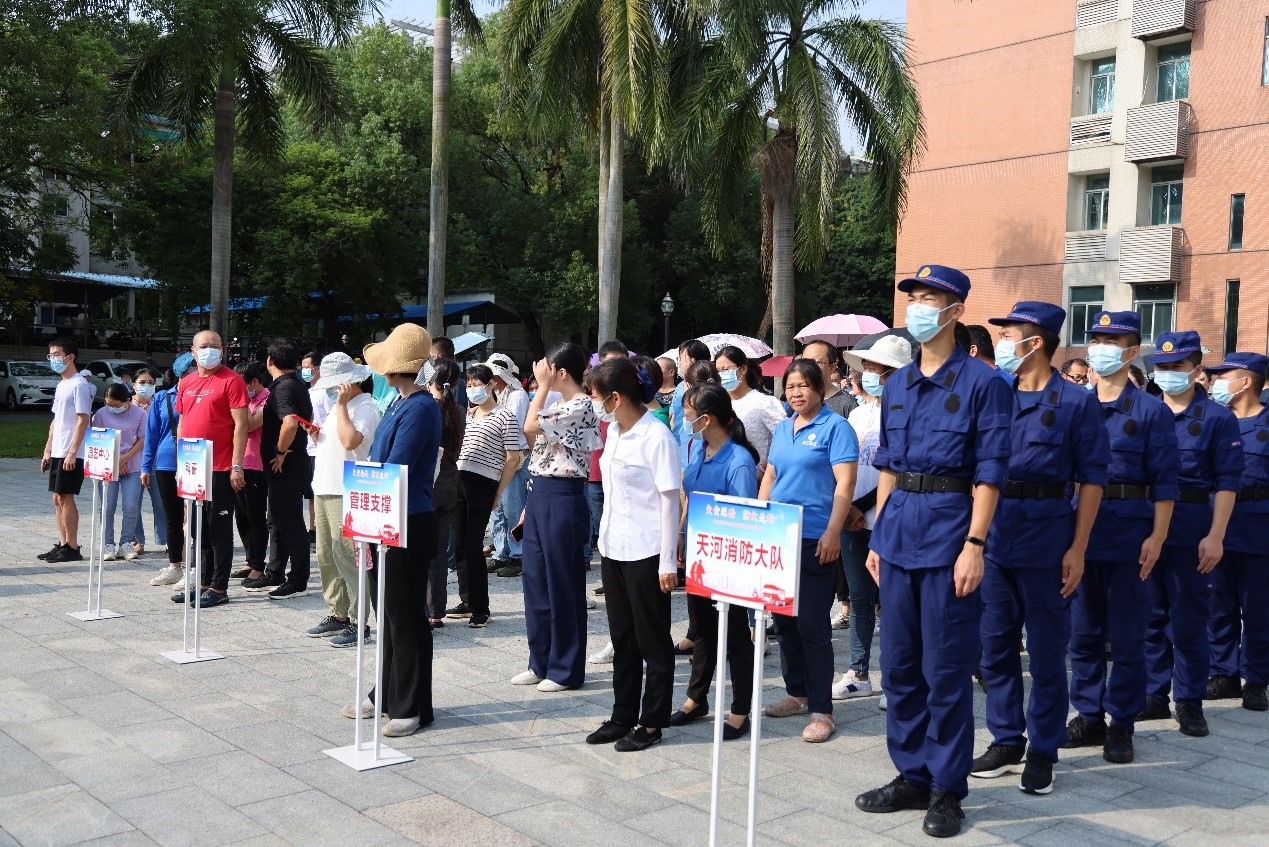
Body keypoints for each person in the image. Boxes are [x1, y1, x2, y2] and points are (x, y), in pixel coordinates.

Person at [855, 265, 1011, 839]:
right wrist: (878, 536)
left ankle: (947, 787)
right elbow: (888, 466)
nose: (917, 307)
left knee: (944, 670)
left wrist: (975, 545)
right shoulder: (896, 384)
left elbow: (990, 473)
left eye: (929, 298)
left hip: (950, 538)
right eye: (913, 297)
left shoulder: (983, 383)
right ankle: (912, 775)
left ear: (955, 310)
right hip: (897, 536)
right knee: (898, 667)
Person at [968, 302, 1110, 796]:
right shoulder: (994, 393)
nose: (1002, 343)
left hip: (1048, 537)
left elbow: (1092, 480)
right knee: (995, 647)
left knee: (1047, 651)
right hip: (995, 536)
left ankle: (1044, 749)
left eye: (1009, 335)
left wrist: (1079, 547)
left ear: (1035, 343)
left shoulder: (1076, 402)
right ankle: (1007, 740)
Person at [1065, 311, 1178, 765]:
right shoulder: (1075, 405)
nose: (1100, 348)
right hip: (1081, 535)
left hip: (1131, 534)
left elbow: (1166, 482)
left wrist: (1158, 536)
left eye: (1111, 341)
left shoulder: (1151, 410)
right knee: (1083, 634)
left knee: (1128, 637)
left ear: (1131, 352)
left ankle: (1122, 724)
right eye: (1096, 339)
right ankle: (1089, 715)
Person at [1138, 331, 1242, 738]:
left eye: (1176, 366)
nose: (1167, 373)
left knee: (1188, 620)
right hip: (1145, 525)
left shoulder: (1217, 418)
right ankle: (1153, 695)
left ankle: (1189, 701)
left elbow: (1228, 482)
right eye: (1161, 366)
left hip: (1191, 526)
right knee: (1149, 617)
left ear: (1197, 369)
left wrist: (1216, 535)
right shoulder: (1143, 410)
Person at [344, 323, 441, 738]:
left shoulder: (420, 407)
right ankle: (384, 692)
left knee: (404, 614)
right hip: (383, 513)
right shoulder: (401, 402)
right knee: (387, 612)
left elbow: (395, 465)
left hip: (406, 518)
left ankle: (410, 704)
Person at [760, 359, 858, 744]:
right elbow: (771, 475)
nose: (796, 393)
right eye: (790, 386)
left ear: (819, 387)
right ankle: (797, 693)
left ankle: (822, 709)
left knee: (811, 624)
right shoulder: (783, 428)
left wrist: (833, 531)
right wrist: (760, 519)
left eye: (803, 385)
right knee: (784, 622)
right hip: (778, 536)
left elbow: (844, 484)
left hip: (816, 536)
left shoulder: (836, 427)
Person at [585, 357, 680, 751]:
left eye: (596, 397)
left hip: (647, 550)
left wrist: (667, 560)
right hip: (614, 547)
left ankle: (652, 721)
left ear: (616, 397)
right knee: (622, 637)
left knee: (652, 640)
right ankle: (622, 714)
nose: (594, 404)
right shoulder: (615, 431)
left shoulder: (656, 436)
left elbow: (670, 500)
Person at [670, 383, 758, 740]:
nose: (683, 419)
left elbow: (744, 516)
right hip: (698, 554)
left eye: (688, 413)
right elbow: (690, 497)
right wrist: (681, 533)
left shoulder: (739, 460)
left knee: (735, 635)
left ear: (706, 419)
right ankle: (696, 698)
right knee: (703, 630)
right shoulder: (698, 448)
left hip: (728, 558)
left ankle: (740, 709)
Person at [514, 343, 604, 690]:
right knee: (536, 581)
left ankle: (565, 668)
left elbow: (529, 425)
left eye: (547, 369)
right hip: (540, 492)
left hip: (563, 494)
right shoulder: (559, 404)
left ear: (561, 372)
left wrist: (542, 387)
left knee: (563, 584)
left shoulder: (581, 405)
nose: (540, 373)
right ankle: (540, 661)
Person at [834, 334, 913, 699]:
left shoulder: (907, 414)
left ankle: (897, 678)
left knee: (894, 601)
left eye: (874, 368)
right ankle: (858, 672)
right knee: (860, 597)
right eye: (865, 367)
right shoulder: (857, 413)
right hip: (853, 520)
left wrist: (861, 505)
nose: (866, 374)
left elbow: (896, 471)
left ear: (894, 374)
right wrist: (847, 507)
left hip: (889, 518)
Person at [1203, 353, 1269, 712]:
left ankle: (1256, 679)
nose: (1216, 383)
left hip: (1259, 528)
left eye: (1223, 376)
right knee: (1218, 603)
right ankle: (1223, 673)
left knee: (1258, 608)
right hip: (1215, 525)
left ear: (1245, 382)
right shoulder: (1214, 421)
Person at [172, 331, 249, 607]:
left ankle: (219, 587)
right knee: (198, 530)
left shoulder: (232, 380)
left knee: (218, 529)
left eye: (214, 346)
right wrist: (181, 462)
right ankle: (204, 583)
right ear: (193, 352)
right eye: (203, 346)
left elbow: (241, 424)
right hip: (193, 466)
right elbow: (182, 424)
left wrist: (236, 465)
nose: (209, 350)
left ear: (223, 350)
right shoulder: (187, 382)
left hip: (220, 466)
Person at [308, 353, 379, 645]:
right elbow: (336, 443)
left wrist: (339, 405)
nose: (331, 389)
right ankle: (338, 613)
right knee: (327, 555)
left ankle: (359, 620)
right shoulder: (343, 407)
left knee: (347, 556)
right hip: (325, 485)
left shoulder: (365, 407)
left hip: (347, 489)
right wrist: (316, 434)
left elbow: (351, 441)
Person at [450, 363, 522, 627]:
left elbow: (513, 458)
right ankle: (467, 599)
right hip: (459, 479)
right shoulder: (468, 415)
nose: (472, 389)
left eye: (477, 384)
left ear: (491, 384)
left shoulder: (505, 416)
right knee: (459, 544)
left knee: (473, 545)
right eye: (468, 385)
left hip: (484, 483)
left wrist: (498, 491)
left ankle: (481, 606)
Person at [250, 342, 314, 600]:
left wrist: (280, 451)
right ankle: (275, 571)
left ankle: (297, 579)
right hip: (290, 462)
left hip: (287, 463)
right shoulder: (295, 384)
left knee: (290, 522)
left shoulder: (284, 388)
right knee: (276, 519)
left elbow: (290, 423)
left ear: (269, 361)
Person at [38, 337, 94, 564]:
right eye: (50, 355)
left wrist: (72, 452)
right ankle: (62, 543)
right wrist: (47, 450)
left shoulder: (79, 385)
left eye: (57, 355)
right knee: (57, 498)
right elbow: (55, 421)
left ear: (70, 357)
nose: (53, 359)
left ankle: (72, 546)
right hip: (58, 450)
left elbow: (83, 420)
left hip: (72, 451)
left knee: (65, 496)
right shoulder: (62, 384)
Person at [142, 353, 194, 586]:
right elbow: (151, 434)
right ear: (181, 372)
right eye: (192, 368)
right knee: (172, 517)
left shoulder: (201, 396)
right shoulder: (162, 397)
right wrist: (146, 466)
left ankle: (198, 567)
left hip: (195, 460)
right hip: (166, 463)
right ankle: (175, 566)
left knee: (197, 517)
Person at [420, 359, 464, 628]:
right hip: (448, 485)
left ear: (429, 381)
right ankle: (436, 612)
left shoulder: (424, 409)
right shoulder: (459, 411)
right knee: (438, 553)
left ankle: (421, 609)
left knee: (419, 552)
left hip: (425, 487)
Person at [485, 353, 530, 578]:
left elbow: (511, 427)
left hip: (515, 457)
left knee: (513, 507)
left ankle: (518, 555)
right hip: (499, 456)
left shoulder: (518, 396)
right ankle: (501, 553)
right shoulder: (498, 394)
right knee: (498, 509)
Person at [92, 384, 147, 562]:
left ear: (127, 401)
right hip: (107, 464)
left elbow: (141, 440)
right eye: (108, 404)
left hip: (133, 465)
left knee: (131, 506)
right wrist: (116, 461)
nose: (112, 408)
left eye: (116, 405)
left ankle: (126, 542)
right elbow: (98, 439)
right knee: (107, 506)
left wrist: (124, 459)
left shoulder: (140, 414)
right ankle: (108, 543)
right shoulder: (100, 414)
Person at [716, 345, 785, 473]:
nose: (722, 375)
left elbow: (785, 439)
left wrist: (763, 469)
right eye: (719, 371)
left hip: (755, 476)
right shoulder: (718, 404)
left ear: (743, 369)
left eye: (726, 369)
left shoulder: (763, 402)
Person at [231, 362, 270, 583]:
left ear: (254, 382)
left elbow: (248, 424)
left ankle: (258, 565)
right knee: (242, 516)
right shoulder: (247, 400)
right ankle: (250, 559)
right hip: (239, 462)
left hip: (257, 465)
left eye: (241, 385)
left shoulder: (267, 400)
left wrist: (240, 401)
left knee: (255, 516)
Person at [127, 368, 165, 557]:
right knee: (133, 503)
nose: (146, 386)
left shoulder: (160, 404)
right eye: (142, 382)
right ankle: (136, 540)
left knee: (162, 502)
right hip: (133, 462)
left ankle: (167, 539)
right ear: (133, 385)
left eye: (150, 382)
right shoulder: (126, 407)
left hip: (158, 460)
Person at [671, 339, 712, 469]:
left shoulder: (709, 388)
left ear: (693, 360)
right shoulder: (679, 387)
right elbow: (673, 417)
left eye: (682, 358)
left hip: (699, 454)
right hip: (678, 452)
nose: (679, 363)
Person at [800, 340, 855, 417]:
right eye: (804, 361)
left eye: (817, 362)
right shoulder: (797, 400)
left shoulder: (848, 404)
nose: (808, 367)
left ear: (832, 367)